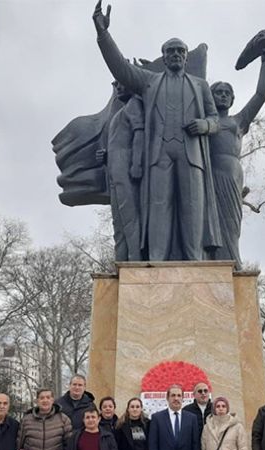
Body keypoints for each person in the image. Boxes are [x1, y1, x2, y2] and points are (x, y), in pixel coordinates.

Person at [92, 0, 222, 261]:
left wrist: (205, 125)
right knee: (159, 208)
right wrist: (103, 34)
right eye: (170, 51)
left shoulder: (200, 85)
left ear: (185, 56)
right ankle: (156, 261)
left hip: (191, 156)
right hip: (158, 156)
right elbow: (120, 67)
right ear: (164, 57)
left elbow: (214, 118)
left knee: (192, 209)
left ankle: (195, 261)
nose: (175, 54)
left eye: (180, 51)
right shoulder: (149, 82)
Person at [208, 47, 265, 269]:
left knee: (230, 223)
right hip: (208, 175)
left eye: (228, 93)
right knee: (209, 224)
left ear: (233, 99)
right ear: (210, 97)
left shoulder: (239, 122)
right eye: (219, 92)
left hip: (231, 175)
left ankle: (233, 267)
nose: (224, 95)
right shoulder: (204, 122)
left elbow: (261, 95)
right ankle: (210, 266)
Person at [97, 81, 145, 261]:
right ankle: (122, 259)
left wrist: (136, 163)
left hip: (126, 165)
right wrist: (106, 157)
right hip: (115, 167)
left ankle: (135, 258)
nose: (119, 88)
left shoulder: (134, 104)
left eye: (123, 83)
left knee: (129, 213)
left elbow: (139, 132)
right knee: (118, 218)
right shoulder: (120, 112)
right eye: (116, 85)